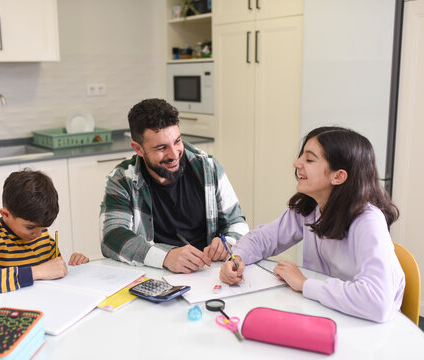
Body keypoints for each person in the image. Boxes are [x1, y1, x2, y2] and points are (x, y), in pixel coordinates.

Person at [220, 126, 405, 323]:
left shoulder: (368, 222)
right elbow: (264, 238)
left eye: (309, 159)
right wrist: (237, 258)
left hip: (366, 327)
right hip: (327, 313)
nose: (297, 163)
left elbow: (377, 303)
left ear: (338, 176)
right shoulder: (311, 207)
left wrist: (305, 284)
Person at [100, 98, 249, 273]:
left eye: (177, 141)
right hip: (155, 272)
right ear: (138, 149)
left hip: (209, 272)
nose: (174, 154)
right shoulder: (122, 179)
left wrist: (228, 242)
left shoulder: (208, 167)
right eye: (161, 148)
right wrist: (165, 257)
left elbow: (237, 222)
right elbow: (111, 237)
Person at [0, 169, 89, 299]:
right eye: (30, 227)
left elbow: (55, 274)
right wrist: (34, 272)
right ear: (6, 215)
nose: (39, 234)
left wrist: (72, 265)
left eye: (43, 228)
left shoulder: (42, 236)